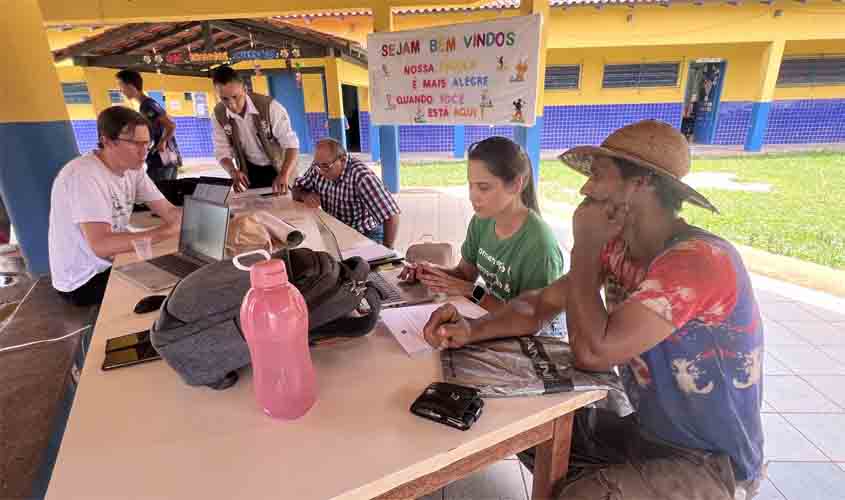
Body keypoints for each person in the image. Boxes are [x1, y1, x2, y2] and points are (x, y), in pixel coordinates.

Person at [422, 121, 763, 499]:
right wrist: (473, 330)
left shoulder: (699, 260)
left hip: (709, 462)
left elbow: (594, 351)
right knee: (531, 433)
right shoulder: (618, 250)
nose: (586, 188)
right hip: (647, 432)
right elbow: (538, 304)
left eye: (599, 175)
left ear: (641, 184)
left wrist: (584, 247)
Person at [400, 137, 564, 314]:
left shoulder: (540, 247)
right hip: (494, 320)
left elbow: (529, 319)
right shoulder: (482, 220)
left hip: (533, 337)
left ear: (516, 185)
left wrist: (472, 291)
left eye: (483, 187)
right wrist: (431, 273)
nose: (473, 196)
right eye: (471, 185)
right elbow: (464, 274)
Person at [48, 106, 182, 306]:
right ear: (107, 141)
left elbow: (168, 210)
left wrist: (205, 219)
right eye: (136, 143)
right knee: (175, 291)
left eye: (147, 143)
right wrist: (164, 232)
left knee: (178, 270)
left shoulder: (133, 169)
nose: (144, 151)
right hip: (84, 279)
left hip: (112, 262)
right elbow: (101, 245)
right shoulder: (84, 175)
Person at [291, 138, 401, 248]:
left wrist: (387, 250)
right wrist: (305, 195)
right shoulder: (319, 167)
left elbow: (391, 216)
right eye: (317, 165)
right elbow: (296, 188)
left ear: (343, 160)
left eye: (325, 166)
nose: (321, 172)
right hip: (336, 229)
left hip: (365, 233)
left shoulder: (361, 176)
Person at [211, 65, 300, 194]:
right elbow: (222, 151)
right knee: (254, 211)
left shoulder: (270, 107)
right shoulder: (219, 115)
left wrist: (284, 174)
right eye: (224, 99)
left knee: (284, 209)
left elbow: (291, 145)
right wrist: (233, 171)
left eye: (235, 97)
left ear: (245, 89)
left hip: (279, 168)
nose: (231, 104)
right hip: (249, 170)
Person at [116, 69, 182, 184]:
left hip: (161, 162)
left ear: (131, 86)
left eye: (121, 86)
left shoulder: (147, 106)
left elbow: (170, 125)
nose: (120, 91)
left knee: (158, 195)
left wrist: (162, 142)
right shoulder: (149, 104)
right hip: (165, 161)